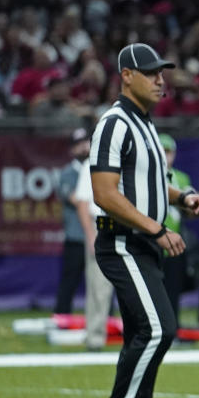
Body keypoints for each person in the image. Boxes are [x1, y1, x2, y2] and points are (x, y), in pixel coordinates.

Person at [87, 43, 199, 398]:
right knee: (158, 329)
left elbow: (153, 184)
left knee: (145, 332)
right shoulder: (115, 123)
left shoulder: (145, 124)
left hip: (141, 242)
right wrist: (158, 230)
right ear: (126, 76)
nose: (161, 80)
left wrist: (181, 198)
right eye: (151, 72)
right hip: (124, 242)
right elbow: (104, 194)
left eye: (163, 72)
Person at [73, 147, 115, 352]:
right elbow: (82, 203)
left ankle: (136, 336)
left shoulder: (126, 161)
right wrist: (90, 236)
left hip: (125, 223)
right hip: (101, 224)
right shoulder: (91, 164)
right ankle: (95, 338)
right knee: (99, 286)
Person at [53, 127, 90, 315]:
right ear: (72, 149)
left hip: (97, 235)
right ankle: (61, 317)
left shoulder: (98, 170)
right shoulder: (68, 173)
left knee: (102, 282)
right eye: (78, 144)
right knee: (69, 280)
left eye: (86, 142)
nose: (84, 147)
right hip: (76, 236)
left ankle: (105, 321)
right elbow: (76, 199)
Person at [159, 133, 192, 324]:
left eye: (168, 152)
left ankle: (174, 327)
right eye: (162, 152)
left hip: (175, 242)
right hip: (153, 239)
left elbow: (190, 206)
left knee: (173, 288)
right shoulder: (148, 175)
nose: (165, 156)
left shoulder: (181, 177)